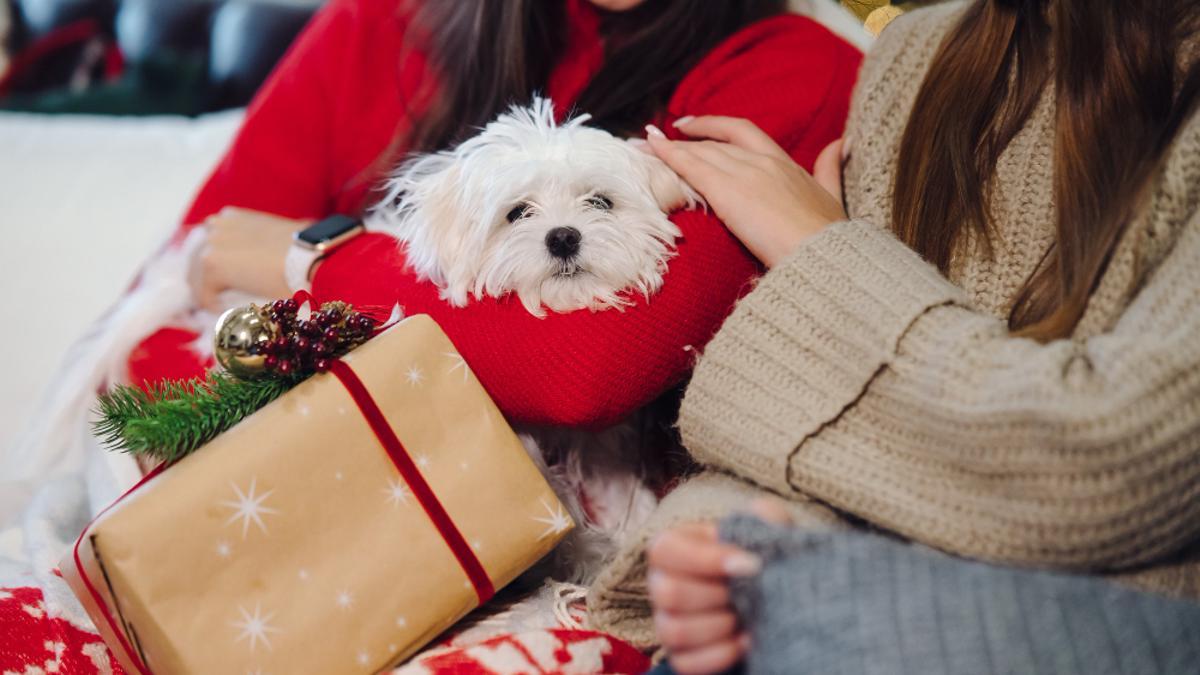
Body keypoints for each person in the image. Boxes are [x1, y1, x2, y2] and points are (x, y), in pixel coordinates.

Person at [579, 1, 1200, 673]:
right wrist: (724, 541)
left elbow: (1115, 466)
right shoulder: (916, 53)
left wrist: (825, 253)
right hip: (850, 605)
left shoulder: (796, 61)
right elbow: (842, 436)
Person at [125, 0, 863, 433]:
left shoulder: (791, 69)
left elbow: (581, 368)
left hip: (571, 572)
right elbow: (168, 320)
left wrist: (313, 263)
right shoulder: (379, 25)